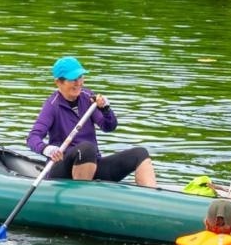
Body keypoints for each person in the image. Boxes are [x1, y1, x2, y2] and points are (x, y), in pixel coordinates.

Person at [27, 56, 157, 188]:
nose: (78, 83)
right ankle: (80, 195)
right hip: (61, 168)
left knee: (140, 153)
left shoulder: (88, 97)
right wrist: (46, 149)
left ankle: (151, 195)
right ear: (58, 82)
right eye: (72, 79)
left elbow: (108, 127)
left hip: (92, 163)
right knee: (87, 148)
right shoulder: (52, 106)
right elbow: (32, 138)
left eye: (80, 77)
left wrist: (106, 109)